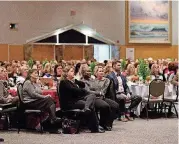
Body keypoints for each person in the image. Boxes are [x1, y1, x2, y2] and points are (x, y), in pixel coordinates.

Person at [59, 66, 104, 133]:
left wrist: (76, 81)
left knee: (92, 96)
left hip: (77, 100)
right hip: (70, 103)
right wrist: (82, 90)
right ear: (66, 73)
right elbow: (75, 90)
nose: (73, 72)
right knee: (90, 106)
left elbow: (82, 85)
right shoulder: (64, 82)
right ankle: (95, 127)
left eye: (73, 71)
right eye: (71, 71)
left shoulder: (72, 81)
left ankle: (86, 108)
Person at [81, 66, 119, 130]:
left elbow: (102, 91)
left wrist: (98, 92)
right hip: (94, 98)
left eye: (102, 71)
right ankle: (102, 124)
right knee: (105, 106)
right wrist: (98, 93)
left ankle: (108, 123)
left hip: (102, 97)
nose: (101, 72)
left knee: (115, 105)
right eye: (100, 71)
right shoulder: (88, 81)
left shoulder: (101, 80)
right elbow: (89, 91)